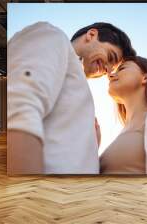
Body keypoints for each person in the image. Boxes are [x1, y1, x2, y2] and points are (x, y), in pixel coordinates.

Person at [7, 22, 136, 174]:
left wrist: (90, 146)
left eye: (112, 68)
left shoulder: (75, 83)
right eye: (110, 56)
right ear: (91, 35)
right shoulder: (53, 37)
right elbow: (20, 113)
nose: (108, 71)